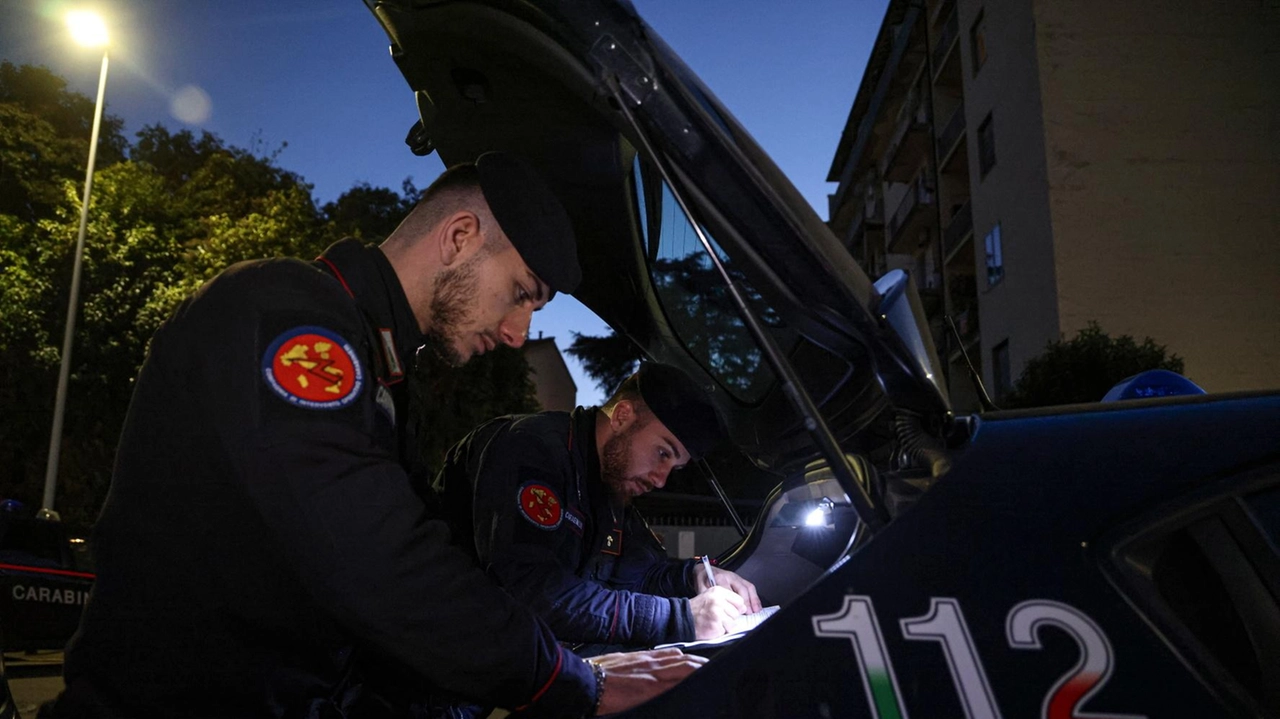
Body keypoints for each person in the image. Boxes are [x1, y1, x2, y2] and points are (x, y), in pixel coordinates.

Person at [51, 153, 702, 719]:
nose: (514, 331)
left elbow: (423, 561)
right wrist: (565, 678)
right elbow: (378, 560)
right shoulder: (284, 309)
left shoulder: (381, 372)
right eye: (518, 293)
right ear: (460, 236)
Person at [433, 362, 763, 652]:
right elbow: (533, 590)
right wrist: (680, 617)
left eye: (674, 468)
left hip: (522, 668)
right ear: (622, 416)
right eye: (663, 453)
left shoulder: (612, 483)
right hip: (451, 681)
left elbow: (640, 573)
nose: (662, 480)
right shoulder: (530, 448)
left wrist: (694, 577)